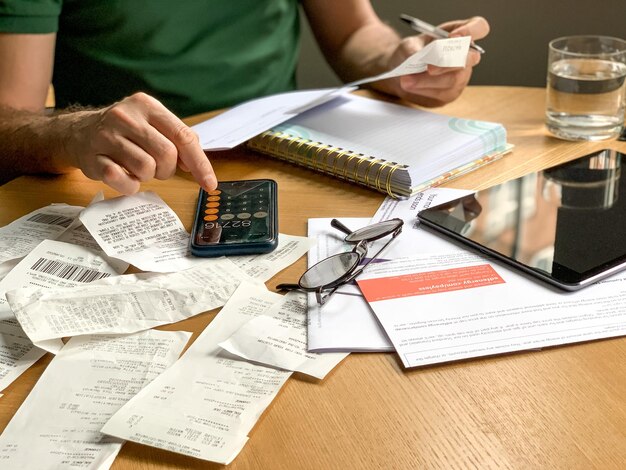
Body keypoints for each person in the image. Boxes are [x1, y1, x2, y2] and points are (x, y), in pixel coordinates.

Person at [0, 1, 489, 195]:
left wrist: (403, 61)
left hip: (293, 159)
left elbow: (356, 34)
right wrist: (75, 130)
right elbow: (7, 118)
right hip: (131, 180)